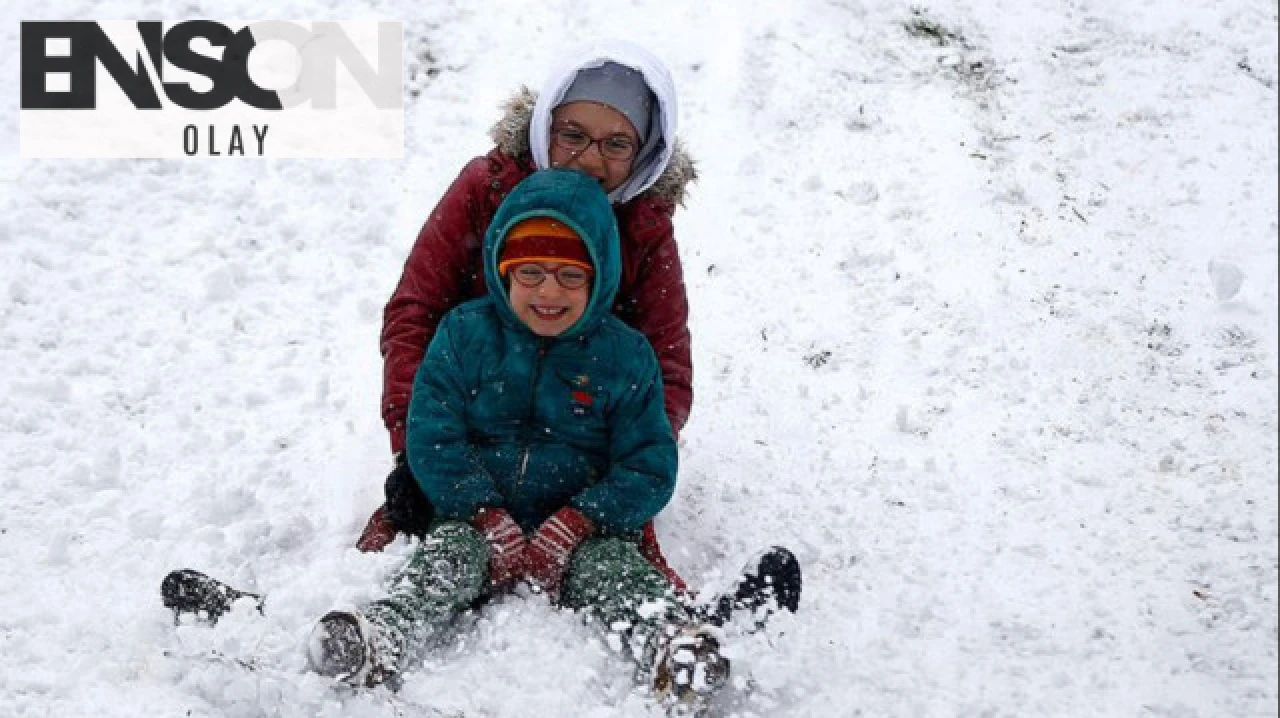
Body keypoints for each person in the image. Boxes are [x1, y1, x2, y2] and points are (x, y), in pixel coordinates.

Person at [309, 169, 729, 711]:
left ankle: (672, 643)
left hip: (583, 529)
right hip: (474, 518)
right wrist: (481, 511)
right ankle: (381, 634)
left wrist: (582, 520)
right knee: (446, 559)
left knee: (617, 574)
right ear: (502, 271)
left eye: (570, 277)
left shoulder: (626, 357)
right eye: (530, 272)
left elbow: (648, 463)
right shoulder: (464, 335)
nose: (549, 291)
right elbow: (433, 435)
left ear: (600, 277)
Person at [357, 41, 697, 592]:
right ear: (545, 126)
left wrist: (626, 473)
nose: (590, 159)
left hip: (583, 420)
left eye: (616, 144)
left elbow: (666, 362)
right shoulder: (488, 189)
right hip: (480, 407)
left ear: (645, 153)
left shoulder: (644, 223)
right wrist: (412, 447)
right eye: (573, 135)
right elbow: (415, 312)